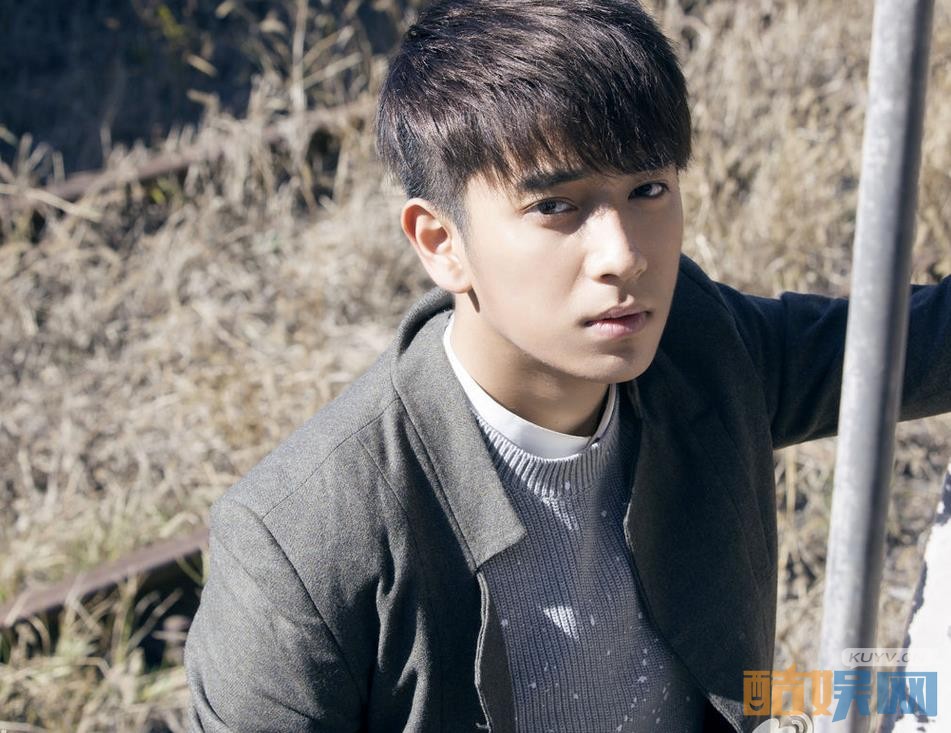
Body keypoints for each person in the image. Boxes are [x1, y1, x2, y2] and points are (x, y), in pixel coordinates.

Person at [182, 1, 951, 731]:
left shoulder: (701, 349)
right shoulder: (299, 540)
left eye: (647, 189)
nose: (622, 254)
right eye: (555, 206)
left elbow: (917, 345)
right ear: (440, 242)